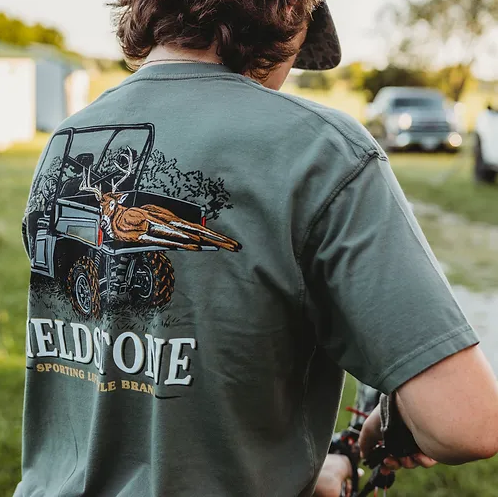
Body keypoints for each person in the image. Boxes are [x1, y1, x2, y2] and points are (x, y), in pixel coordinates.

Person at [18, 1, 497, 496]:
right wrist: (383, 425)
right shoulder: (323, 149)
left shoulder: (66, 138)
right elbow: (467, 423)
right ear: (290, 18)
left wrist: (314, 471)